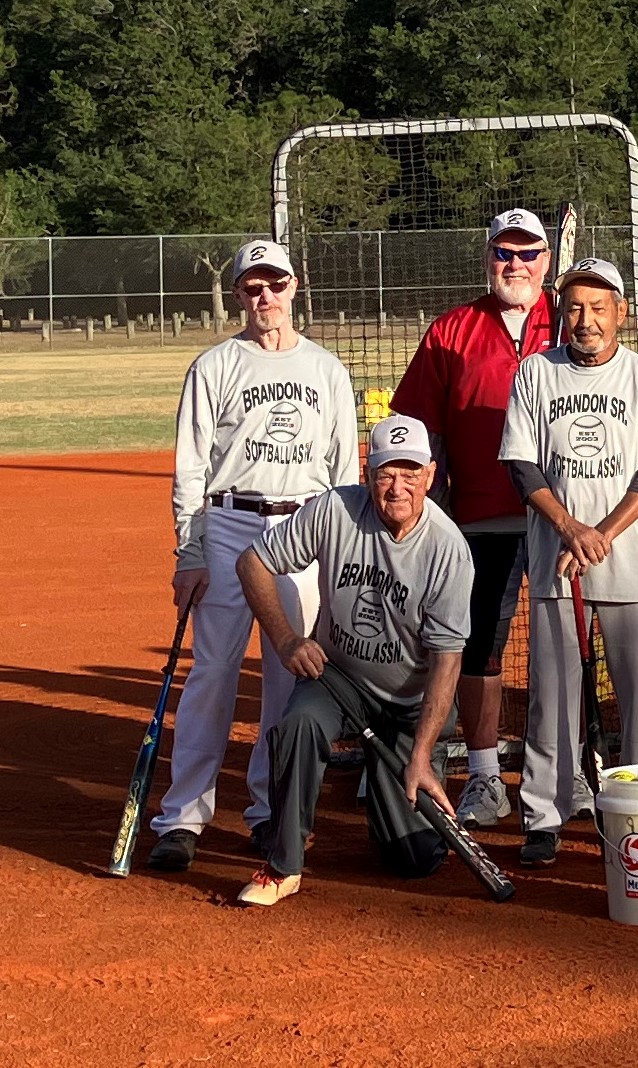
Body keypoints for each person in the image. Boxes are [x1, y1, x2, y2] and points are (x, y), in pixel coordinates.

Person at [147, 239, 358, 872]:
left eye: (275, 284)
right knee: (212, 672)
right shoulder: (214, 365)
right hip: (231, 523)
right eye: (252, 287)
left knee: (286, 679)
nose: (264, 296)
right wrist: (190, 551)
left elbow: (345, 469)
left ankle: (268, 813)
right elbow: (190, 468)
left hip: (303, 530)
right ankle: (183, 816)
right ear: (239, 295)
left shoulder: (328, 370)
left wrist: (337, 549)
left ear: (295, 287)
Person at [234, 415, 475, 905]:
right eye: (387, 473)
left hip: (407, 704)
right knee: (298, 724)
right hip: (338, 679)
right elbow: (252, 561)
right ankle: (284, 863)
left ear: (431, 475)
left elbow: (448, 662)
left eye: (411, 474)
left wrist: (422, 755)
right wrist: (285, 641)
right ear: (369, 474)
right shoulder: (336, 510)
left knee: (414, 859)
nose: (398, 487)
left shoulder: (449, 549)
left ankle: (390, 800)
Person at [499, 258, 638, 867]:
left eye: (599, 308)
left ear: (621, 314)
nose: (586, 320)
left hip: (629, 562)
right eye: (575, 307)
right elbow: (523, 466)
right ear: (561, 312)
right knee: (553, 695)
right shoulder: (535, 374)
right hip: (557, 559)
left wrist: (601, 531)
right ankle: (546, 811)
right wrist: (570, 527)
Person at [391, 208, 558, 830]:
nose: (515, 265)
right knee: (480, 647)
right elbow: (415, 424)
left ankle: (566, 768)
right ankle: (486, 776)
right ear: (487, 257)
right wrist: (431, 496)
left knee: (567, 647)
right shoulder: (453, 329)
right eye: (503, 254)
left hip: (565, 521)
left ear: (547, 259)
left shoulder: (574, 318)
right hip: (481, 519)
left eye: (528, 254)